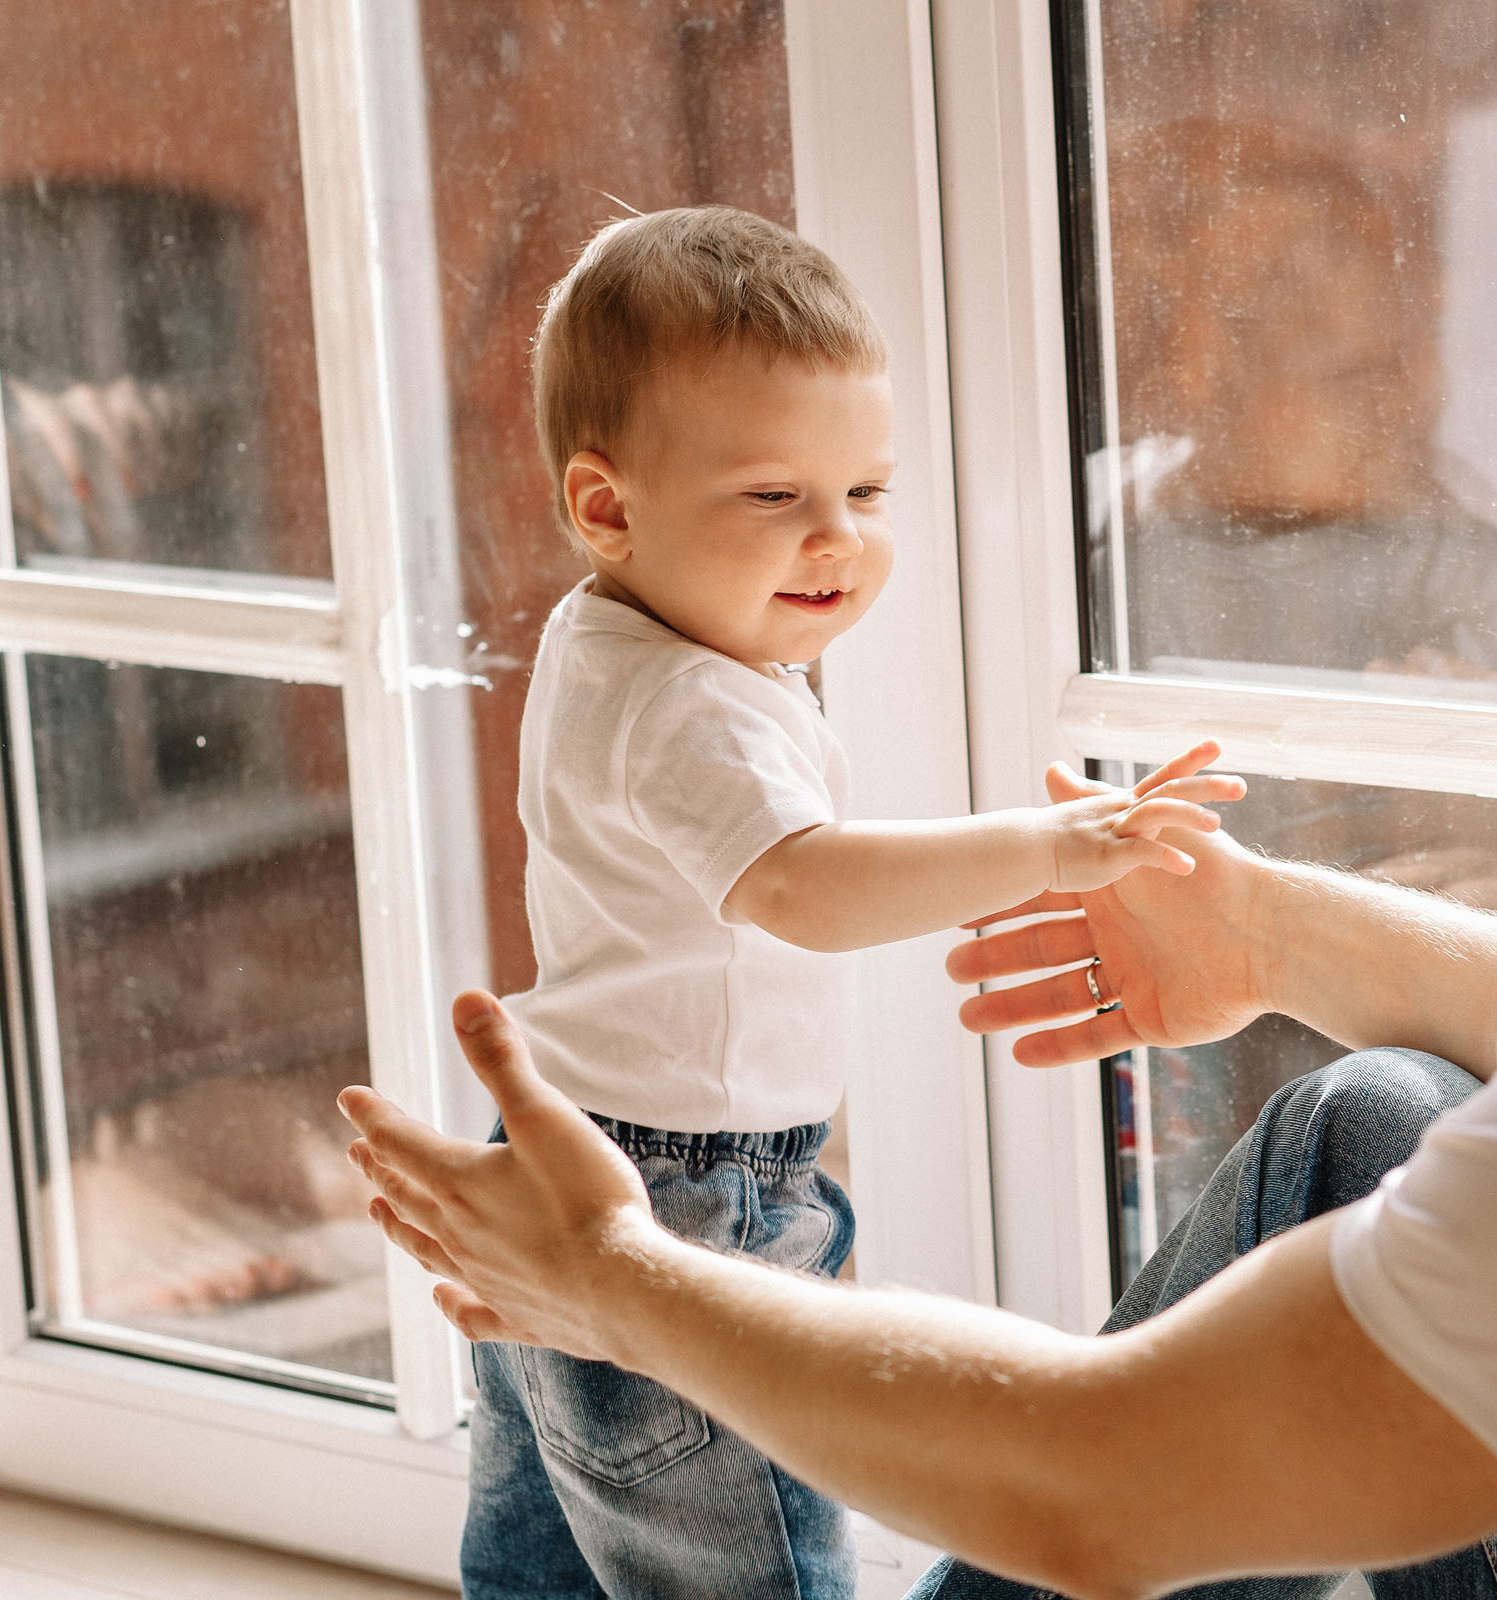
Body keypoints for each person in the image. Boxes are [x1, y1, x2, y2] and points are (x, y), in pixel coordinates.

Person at [342, 63, 1497, 1599]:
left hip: (938, 1389)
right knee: (1380, 1115)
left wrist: (616, 1282)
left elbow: (1096, 1480)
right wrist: (1284, 933)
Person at [456, 204, 1240, 1600]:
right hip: (689, 1198)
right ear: (606, 506)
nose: (835, 541)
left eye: (866, 494)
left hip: (564, 1149)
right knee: (744, 1555)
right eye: (773, 497)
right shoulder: (693, 700)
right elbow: (803, 887)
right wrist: (1053, 849)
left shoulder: (610, 631)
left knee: (548, 1554)